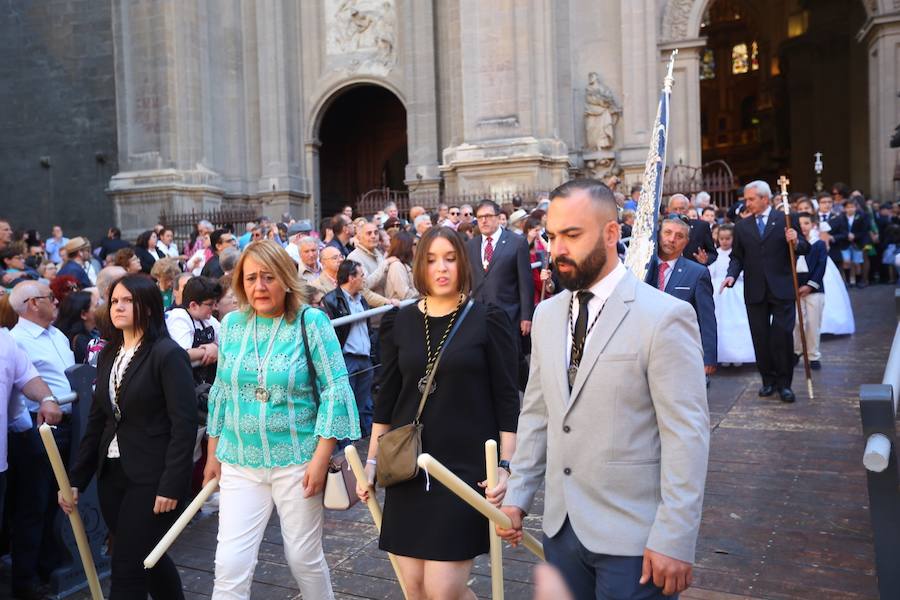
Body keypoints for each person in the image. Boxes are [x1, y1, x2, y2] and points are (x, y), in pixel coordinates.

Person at [496, 178, 710, 599]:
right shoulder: (546, 316)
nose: (558, 249)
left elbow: (687, 435)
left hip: (636, 539)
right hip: (561, 532)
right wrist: (518, 496)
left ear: (612, 233)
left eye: (572, 235)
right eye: (553, 236)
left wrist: (674, 536)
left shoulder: (665, 317)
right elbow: (538, 413)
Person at [358, 227, 519, 599]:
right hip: (407, 467)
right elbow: (387, 397)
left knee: (443, 591)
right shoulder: (400, 321)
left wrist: (506, 466)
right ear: (420, 266)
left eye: (449, 258)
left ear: (462, 263)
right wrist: (370, 463)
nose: (441, 268)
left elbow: (507, 399)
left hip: (463, 472)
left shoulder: (487, 318)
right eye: (431, 260)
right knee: (414, 589)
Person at [203, 240, 360, 599]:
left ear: (286, 279)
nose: (259, 286)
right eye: (251, 278)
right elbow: (222, 392)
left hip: (297, 460)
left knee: (303, 557)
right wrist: (213, 454)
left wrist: (321, 459)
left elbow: (335, 387)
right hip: (240, 459)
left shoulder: (312, 321)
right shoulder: (231, 326)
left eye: (268, 277)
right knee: (229, 563)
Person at [61, 274, 197, 599]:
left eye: (127, 301)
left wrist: (171, 484)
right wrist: (75, 479)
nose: (118, 307)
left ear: (147, 308)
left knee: (126, 566)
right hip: (113, 475)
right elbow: (97, 420)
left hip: (152, 478)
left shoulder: (167, 354)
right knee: (149, 558)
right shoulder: (109, 353)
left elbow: (184, 424)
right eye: (114, 301)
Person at [7, 281, 71, 598]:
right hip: (38, 430)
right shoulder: (16, 340)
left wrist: (51, 400)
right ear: (33, 303)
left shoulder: (56, 334)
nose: (56, 301)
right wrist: (43, 408)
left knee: (65, 497)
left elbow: (43, 381)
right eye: (50, 297)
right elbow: (23, 391)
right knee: (36, 503)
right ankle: (30, 576)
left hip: (70, 421)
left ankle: (56, 560)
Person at [721, 180, 809, 403]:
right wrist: (731, 275)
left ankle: (784, 384)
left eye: (751, 199)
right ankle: (767, 381)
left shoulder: (786, 220)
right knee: (760, 338)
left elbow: (806, 248)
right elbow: (737, 257)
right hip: (755, 290)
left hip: (782, 288)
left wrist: (796, 240)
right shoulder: (741, 227)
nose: (746, 203)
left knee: (781, 336)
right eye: (746, 199)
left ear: (765, 199)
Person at [466, 199, 533, 389]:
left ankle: (527, 394)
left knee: (512, 360)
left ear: (498, 218)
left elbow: (525, 282)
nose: (484, 221)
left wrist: (526, 316)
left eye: (488, 216)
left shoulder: (516, 242)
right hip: (480, 315)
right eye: (480, 217)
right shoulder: (472, 246)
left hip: (508, 314)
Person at [646, 216, 718, 377]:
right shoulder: (642, 267)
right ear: (659, 235)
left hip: (679, 353)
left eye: (679, 236)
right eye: (667, 233)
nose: (672, 239)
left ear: (686, 242)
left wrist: (709, 357)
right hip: (643, 351)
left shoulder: (697, 273)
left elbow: (706, 318)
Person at [322, 260, 374, 436]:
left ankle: (358, 443)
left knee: (361, 404)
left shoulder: (362, 300)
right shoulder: (331, 300)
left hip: (365, 358)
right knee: (344, 407)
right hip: (347, 359)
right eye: (361, 275)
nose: (364, 279)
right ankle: (343, 446)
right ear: (351, 278)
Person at [707, 224, 755, 365]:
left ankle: (739, 355)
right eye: (721, 238)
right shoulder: (715, 254)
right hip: (719, 293)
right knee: (721, 323)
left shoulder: (737, 255)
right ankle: (723, 355)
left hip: (736, 290)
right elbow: (711, 272)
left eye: (728, 238)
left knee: (738, 322)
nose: (724, 241)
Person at [165, 276, 222, 374]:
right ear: (193, 305)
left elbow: (227, 343)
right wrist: (210, 350)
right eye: (210, 304)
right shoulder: (178, 317)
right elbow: (182, 354)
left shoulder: (208, 319)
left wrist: (216, 349)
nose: (215, 308)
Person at [793, 213, 827, 370]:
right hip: (795, 289)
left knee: (813, 323)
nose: (803, 227)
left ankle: (813, 355)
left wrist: (810, 285)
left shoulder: (818, 244)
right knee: (797, 322)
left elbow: (821, 266)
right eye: (800, 224)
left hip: (814, 289)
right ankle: (797, 350)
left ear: (813, 225)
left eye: (806, 223)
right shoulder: (792, 244)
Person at [829, 198, 870, 287]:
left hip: (857, 243)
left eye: (852, 207)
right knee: (846, 261)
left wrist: (855, 235)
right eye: (848, 207)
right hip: (844, 243)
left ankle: (858, 281)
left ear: (856, 207)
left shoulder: (862, 216)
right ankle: (847, 281)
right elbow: (839, 229)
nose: (850, 209)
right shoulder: (841, 217)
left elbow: (865, 230)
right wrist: (847, 234)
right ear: (844, 208)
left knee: (857, 263)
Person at [667, 194, 717, 266]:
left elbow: (712, 253)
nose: (678, 212)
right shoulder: (662, 229)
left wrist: (705, 259)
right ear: (669, 210)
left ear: (687, 209)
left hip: (695, 272)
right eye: (675, 209)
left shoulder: (701, 226)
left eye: (681, 209)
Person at [54, 290, 100, 364]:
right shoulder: (80, 341)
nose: (101, 309)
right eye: (97, 306)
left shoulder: (94, 332)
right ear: (84, 314)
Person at [384, 231, 418, 301]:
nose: (418, 247)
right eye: (414, 244)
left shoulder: (408, 264)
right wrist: (423, 293)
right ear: (405, 246)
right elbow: (405, 295)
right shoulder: (396, 266)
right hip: (401, 309)